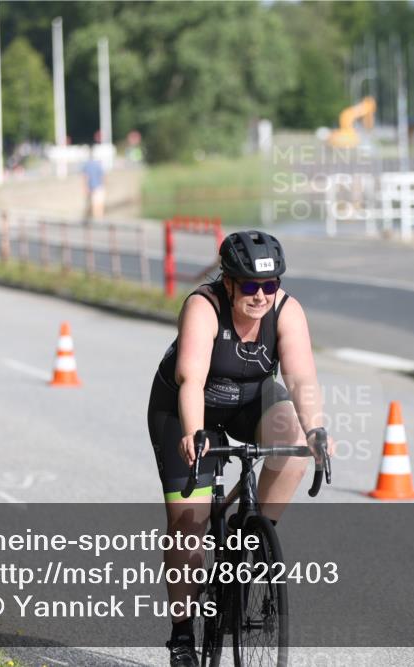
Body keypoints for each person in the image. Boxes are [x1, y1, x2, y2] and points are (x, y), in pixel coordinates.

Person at [147, 230, 333, 666]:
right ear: (228, 282)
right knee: (188, 523)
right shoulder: (203, 307)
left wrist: (316, 430)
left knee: (293, 443)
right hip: (186, 408)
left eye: (270, 284)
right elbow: (190, 379)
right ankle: (182, 636)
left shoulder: (286, 310)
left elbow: (301, 378)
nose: (260, 295)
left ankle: (251, 539)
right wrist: (194, 433)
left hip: (250, 401)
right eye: (250, 285)